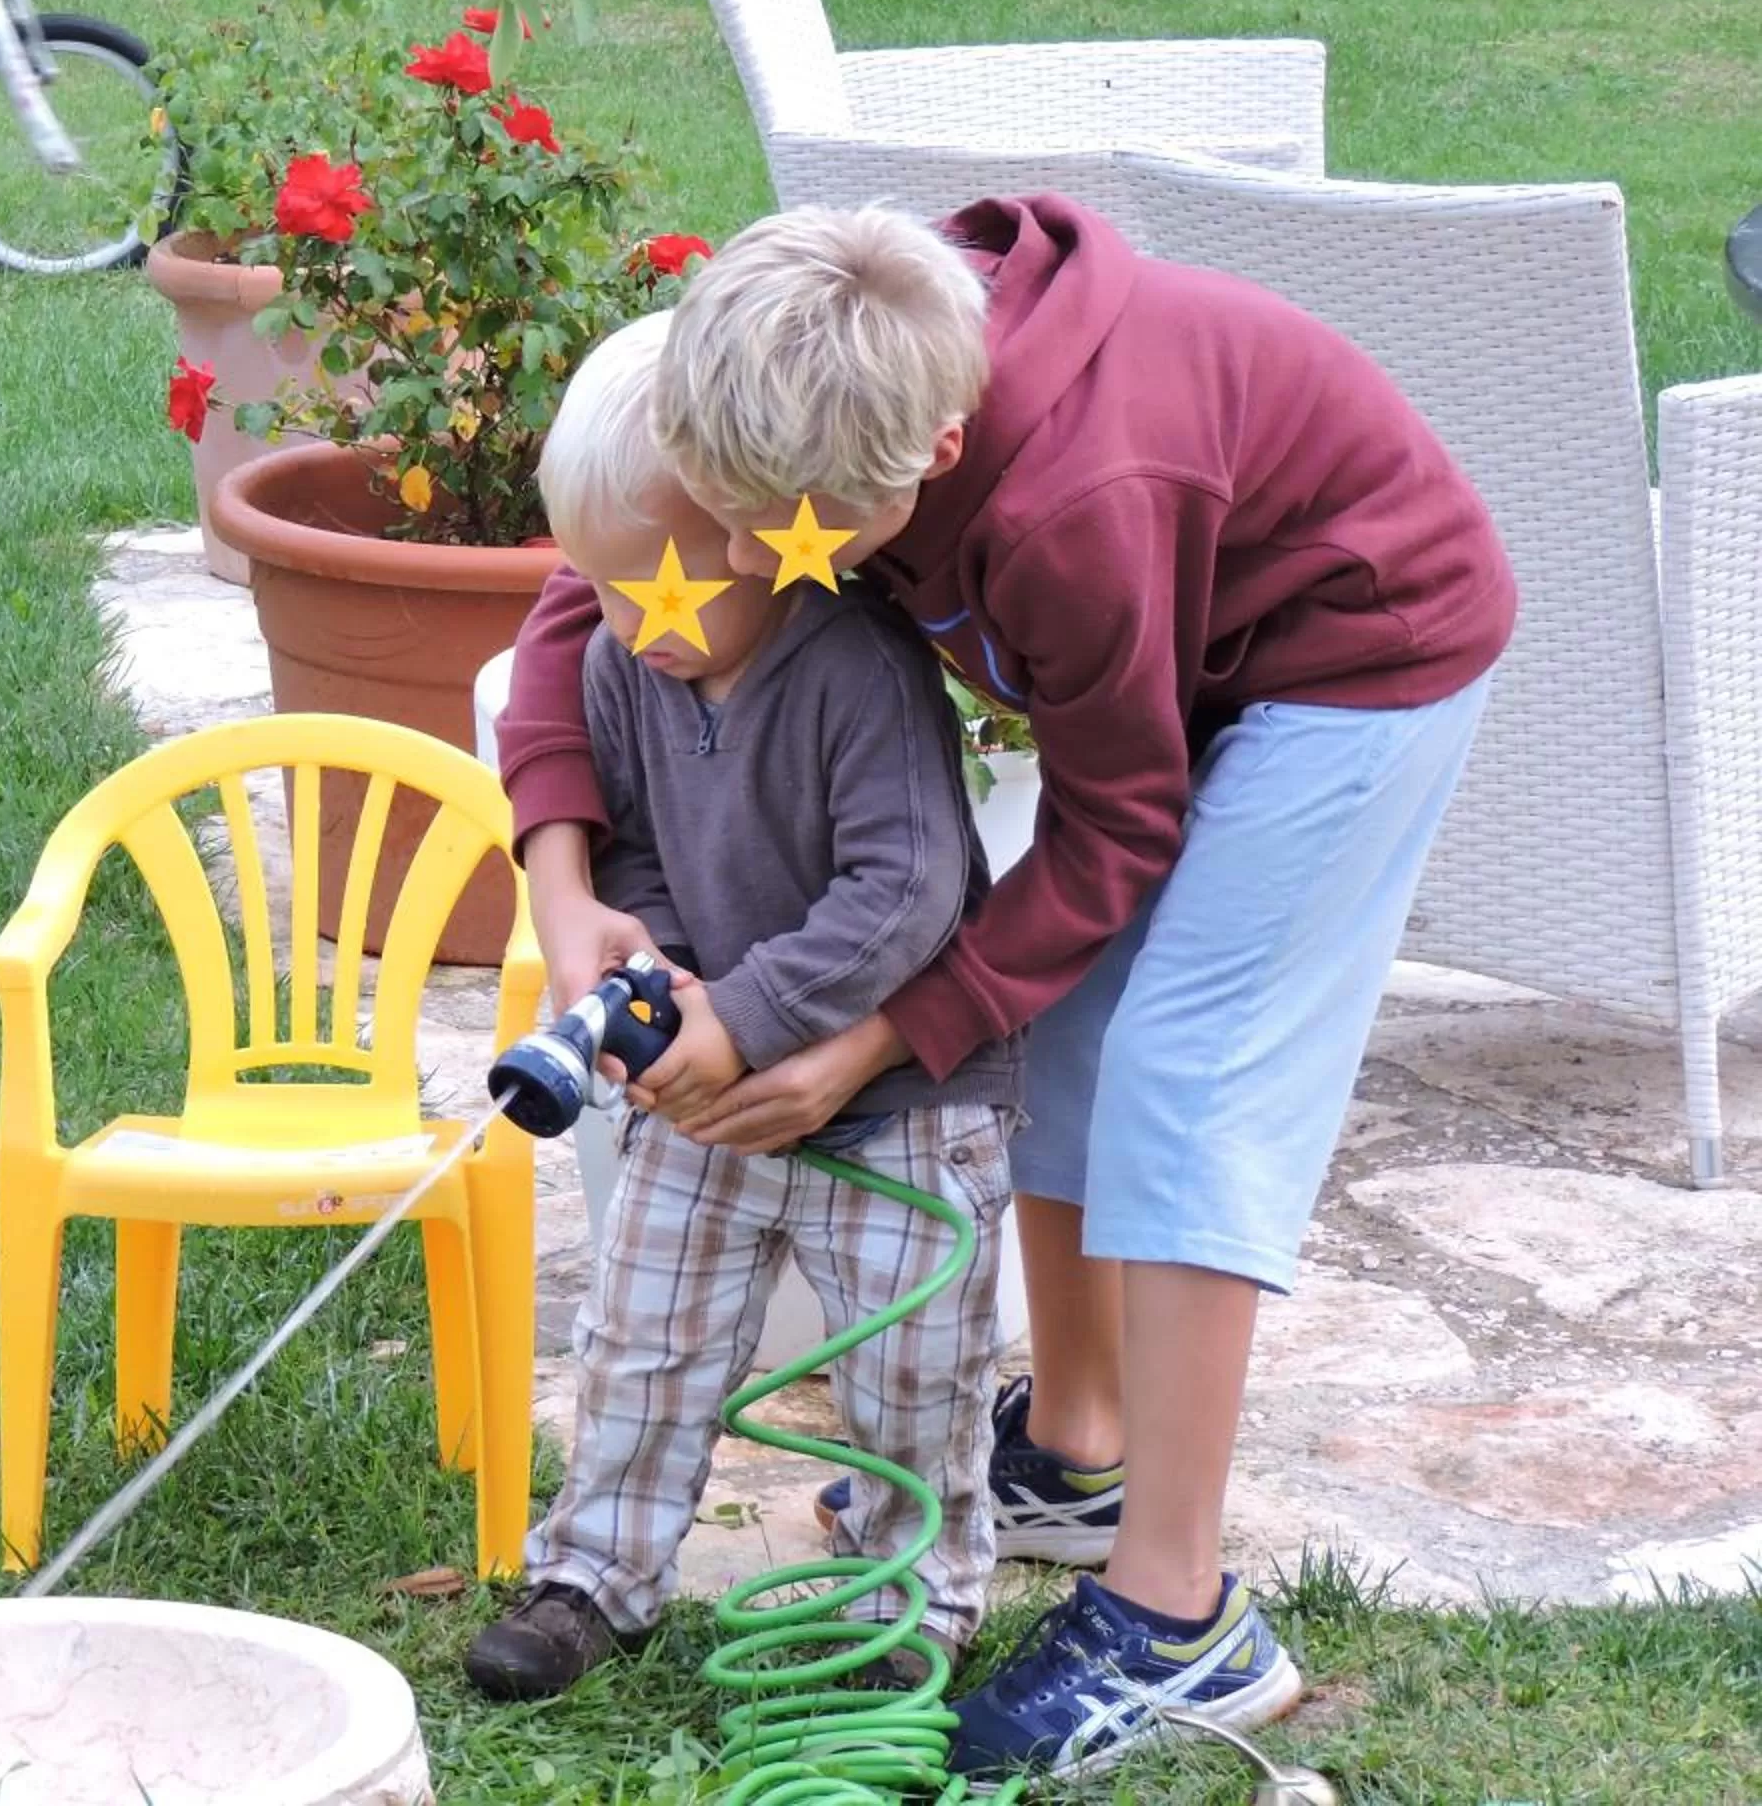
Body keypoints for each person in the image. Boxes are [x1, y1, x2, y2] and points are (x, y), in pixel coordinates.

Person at [492, 199, 1514, 1783]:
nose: (742, 564)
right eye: (728, 514)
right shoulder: (797, 372)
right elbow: (603, 578)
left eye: (777, 533)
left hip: (1354, 655)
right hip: (1178, 635)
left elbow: (1117, 821)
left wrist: (877, 1039)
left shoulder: (1067, 509)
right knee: (1069, 1020)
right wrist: (563, 879)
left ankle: (1178, 1613)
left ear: (937, 452)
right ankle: (1080, 1448)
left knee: (1185, 1069)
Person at [464, 311, 1020, 1705]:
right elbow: (634, 852)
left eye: (647, 585)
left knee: (914, 1370)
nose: (617, 621)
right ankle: (592, 1577)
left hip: (901, 1103)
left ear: (764, 536)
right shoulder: (621, 661)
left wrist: (753, 1010)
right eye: (597, 586)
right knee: (641, 1342)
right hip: (706, 1094)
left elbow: (906, 889)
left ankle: (911, 1596)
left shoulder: (858, 668)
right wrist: (665, 984)